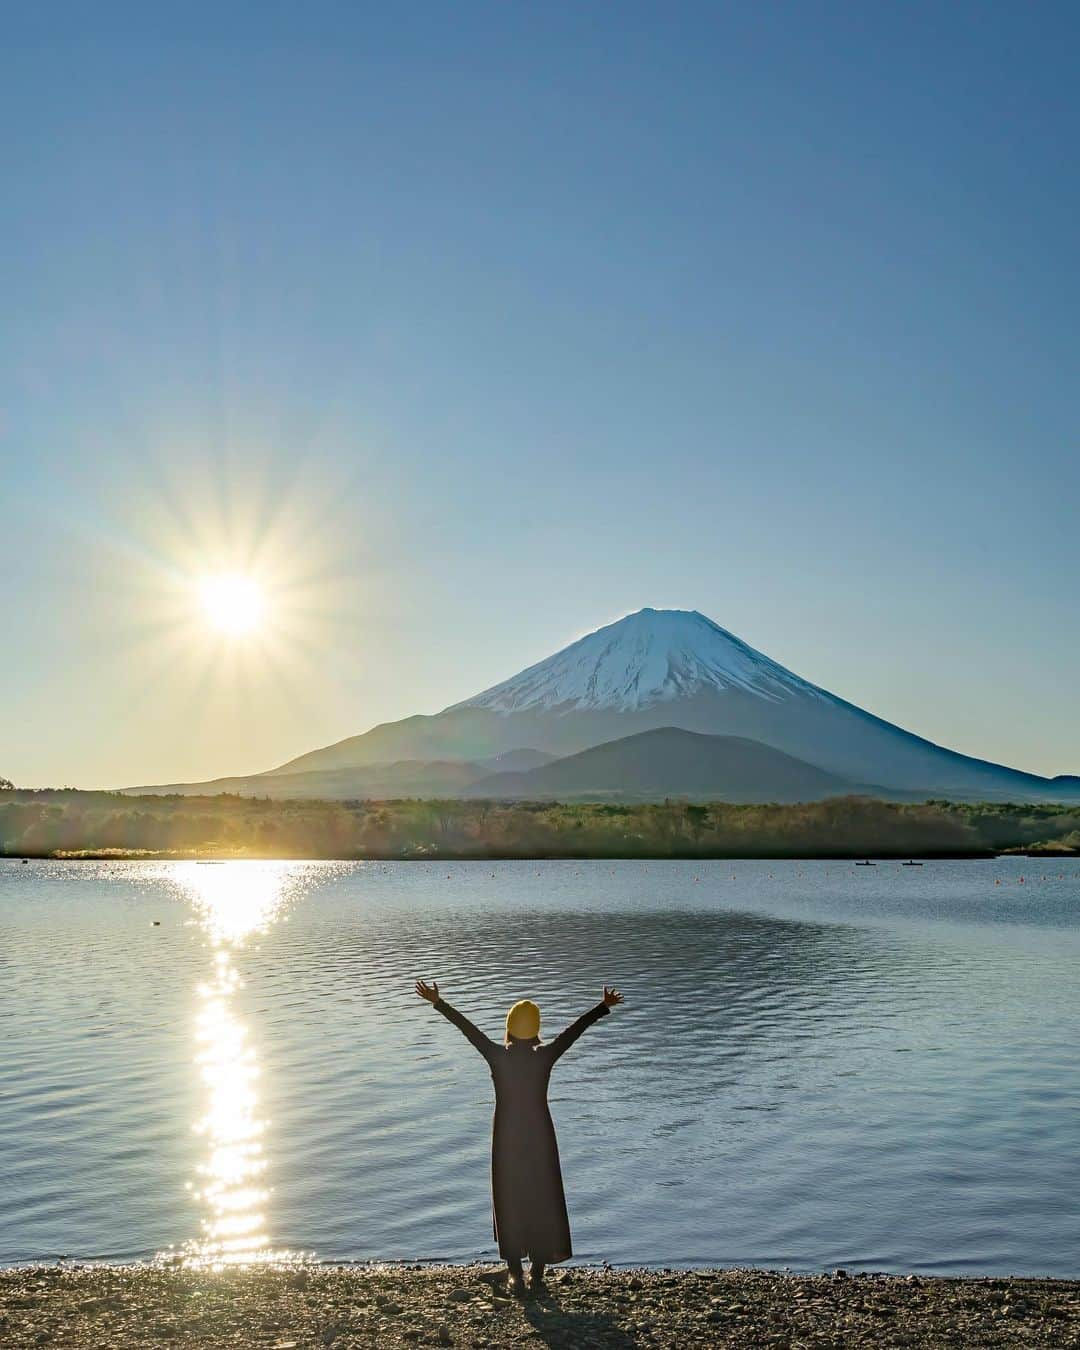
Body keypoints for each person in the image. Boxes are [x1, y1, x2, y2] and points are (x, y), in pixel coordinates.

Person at [415, 978, 624, 1298]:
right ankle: (537, 1276)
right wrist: (601, 1008)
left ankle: (515, 1274)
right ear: (536, 1029)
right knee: (543, 1200)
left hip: (507, 1139)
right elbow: (572, 1034)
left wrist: (438, 1002)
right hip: (540, 1137)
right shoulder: (545, 1055)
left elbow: (468, 1030)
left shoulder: (497, 1055)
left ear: (509, 1028)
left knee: (510, 1200)